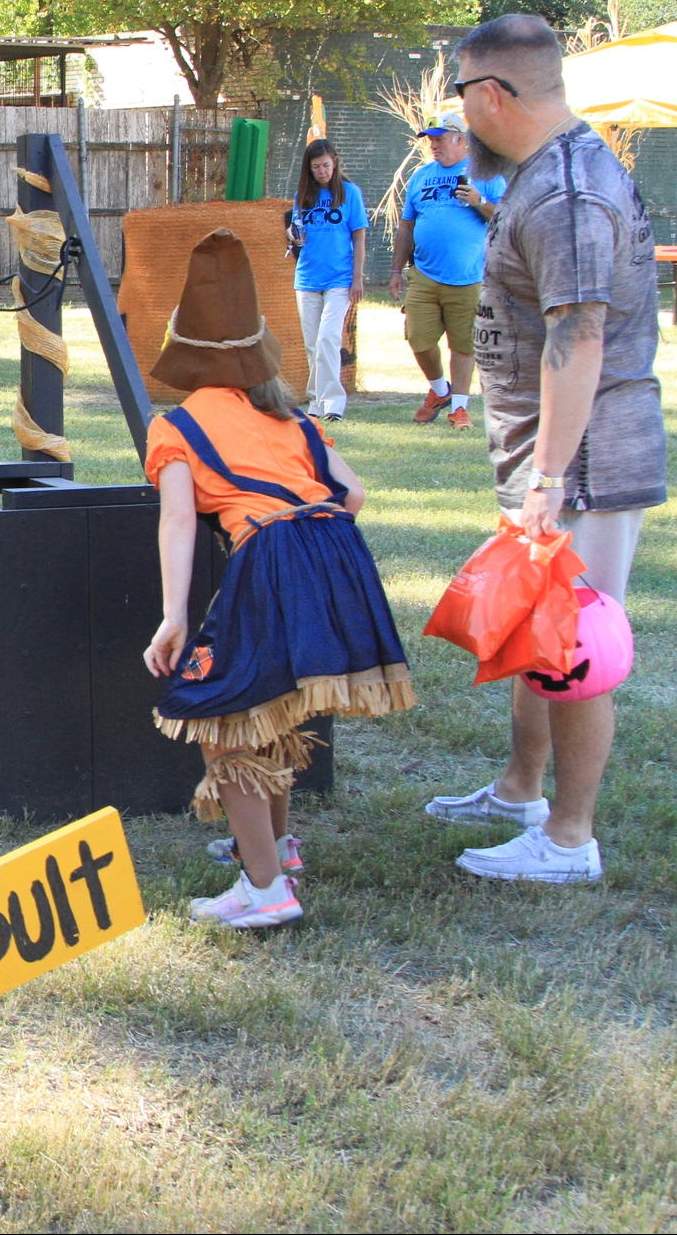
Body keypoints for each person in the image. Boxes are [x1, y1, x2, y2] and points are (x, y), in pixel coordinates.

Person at [424, 14, 665, 883]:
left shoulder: (565, 194)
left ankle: (568, 838)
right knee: (537, 623)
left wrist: (552, 477)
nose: (457, 116)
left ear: (492, 95)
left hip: (586, 454)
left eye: (459, 94)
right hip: (551, 454)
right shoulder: (548, 173)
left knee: (574, 644)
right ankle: (522, 789)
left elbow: (581, 333)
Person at [143, 229, 413, 929]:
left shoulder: (174, 426)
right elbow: (350, 495)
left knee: (218, 713)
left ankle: (263, 888)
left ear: (186, 357)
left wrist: (174, 615)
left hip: (273, 554)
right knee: (277, 706)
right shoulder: (289, 418)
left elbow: (177, 520)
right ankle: (274, 846)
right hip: (335, 548)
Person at [390, 113, 506, 430]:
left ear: (459, 139)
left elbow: (508, 219)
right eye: (430, 139)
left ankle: (459, 409)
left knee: (463, 345)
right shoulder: (420, 176)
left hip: (469, 275)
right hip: (424, 273)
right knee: (418, 338)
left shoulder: (486, 174)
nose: (433, 145)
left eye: (439, 138)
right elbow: (407, 225)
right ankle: (441, 391)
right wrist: (396, 269)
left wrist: (479, 201)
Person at [289, 139, 368, 421]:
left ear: (334, 162)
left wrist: (357, 278)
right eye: (316, 167)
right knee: (313, 343)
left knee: (328, 338)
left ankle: (333, 403)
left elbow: (359, 236)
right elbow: (298, 232)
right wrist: (294, 236)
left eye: (325, 165)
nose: (322, 171)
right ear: (308, 169)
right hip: (308, 278)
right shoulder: (303, 195)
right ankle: (315, 401)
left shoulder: (350, 193)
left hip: (340, 278)